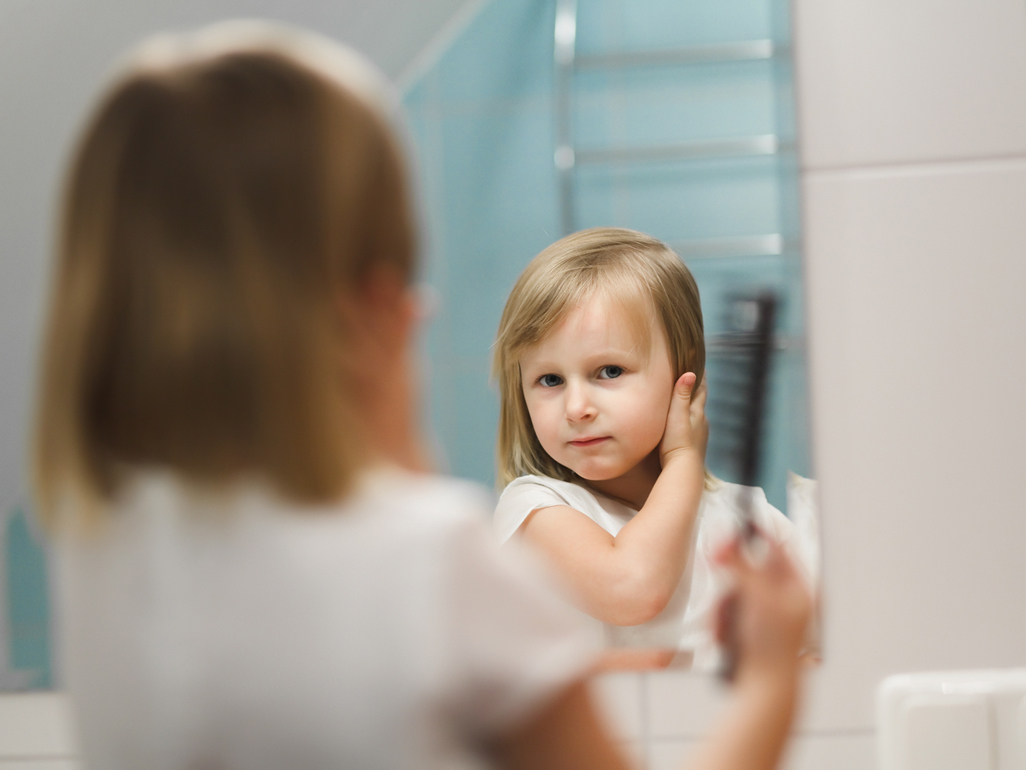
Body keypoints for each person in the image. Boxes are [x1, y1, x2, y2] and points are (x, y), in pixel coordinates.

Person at [32, 21, 810, 770]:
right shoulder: (432, 559)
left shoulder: (103, 545)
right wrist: (772, 686)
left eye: (607, 371)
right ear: (376, 303)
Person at [493, 228, 813, 670]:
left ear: (685, 374)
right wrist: (682, 458)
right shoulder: (534, 510)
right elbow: (632, 589)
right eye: (550, 380)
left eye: (608, 370)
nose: (577, 407)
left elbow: (819, 655)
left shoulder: (749, 519)